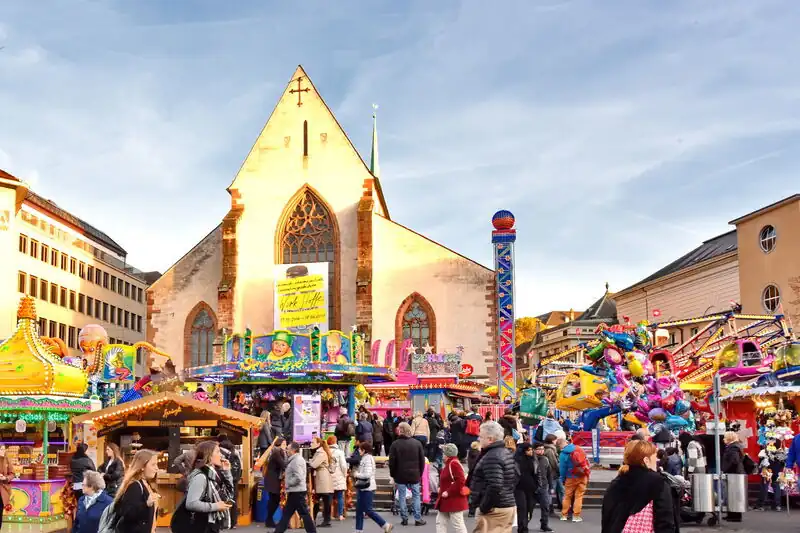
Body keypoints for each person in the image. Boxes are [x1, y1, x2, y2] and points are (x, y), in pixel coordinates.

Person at [601, 440, 676, 533]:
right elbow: (665, 522)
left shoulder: (616, 483)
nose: (657, 460)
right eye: (654, 457)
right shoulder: (658, 482)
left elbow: (607, 520)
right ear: (646, 460)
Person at [468, 421, 518, 533]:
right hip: (504, 504)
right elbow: (514, 477)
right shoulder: (504, 452)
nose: (478, 439)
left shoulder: (492, 456)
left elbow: (495, 485)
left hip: (495, 509)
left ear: (490, 439)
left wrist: (484, 507)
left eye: (481, 437)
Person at [183, 440, 233, 531]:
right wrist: (216, 506)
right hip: (201, 525)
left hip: (211, 522)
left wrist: (227, 472)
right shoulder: (201, 476)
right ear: (209, 456)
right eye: (218, 452)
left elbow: (229, 494)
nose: (221, 455)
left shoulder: (214, 474)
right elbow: (191, 503)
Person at [388, 422, 426, 526]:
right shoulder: (417, 443)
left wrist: (393, 474)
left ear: (400, 430)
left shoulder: (395, 444)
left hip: (400, 474)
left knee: (401, 496)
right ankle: (417, 518)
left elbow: (392, 462)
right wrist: (420, 473)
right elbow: (422, 461)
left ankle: (404, 518)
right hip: (414, 474)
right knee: (416, 496)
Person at [274, 442, 317, 533]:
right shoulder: (294, 460)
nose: (286, 450)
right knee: (287, 513)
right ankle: (278, 531)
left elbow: (299, 477)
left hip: (297, 491)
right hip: (296, 491)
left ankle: (312, 531)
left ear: (293, 450)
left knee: (303, 513)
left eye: (288, 449)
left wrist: (288, 483)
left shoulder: (296, 461)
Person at [115, 449, 160, 533]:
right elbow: (128, 513)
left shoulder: (149, 485)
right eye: (153, 465)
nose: (157, 468)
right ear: (142, 466)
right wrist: (146, 504)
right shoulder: (135, 486)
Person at [353, 442, 393, 533]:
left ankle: (385, 525)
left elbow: (367, 474)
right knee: (359, 510)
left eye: (360, 449)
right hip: (363, 487)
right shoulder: (365, 458)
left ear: (364, 450)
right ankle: (358, 529)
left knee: (368, 510)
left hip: (368, 488)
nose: (359, 450)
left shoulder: (367, 459)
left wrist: (357, 474)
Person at [255, 437, 286, 529]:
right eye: (284, 444)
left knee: (274, 500)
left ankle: (269, 520)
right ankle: (269, 520)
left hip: (272, 479)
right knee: (274, 500)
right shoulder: (277, 452)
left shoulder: (276, 452)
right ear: (279, 444)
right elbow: (283, 464)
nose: (286, 446)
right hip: (273, 480)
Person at [436, 443, 468, 533]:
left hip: (453, 500)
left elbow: (461, 480)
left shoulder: (453, 464)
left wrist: (448, 492)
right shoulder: (452, 463)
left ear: (447, 454)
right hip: (448, 500)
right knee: (440, 522)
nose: (442, 454)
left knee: (458, 525)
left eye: (443, 453)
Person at [557, 437, 590, 523]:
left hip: (570, 477)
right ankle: (576, 516)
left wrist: (562, 478)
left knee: (567, 496)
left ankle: (564, 515)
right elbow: (586, 461)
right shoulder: (578, 448)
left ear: (560, 446)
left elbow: (562, 468)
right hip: (582, 475)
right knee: (579, 496)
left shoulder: (563, 454)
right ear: (567, 442)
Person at [309, 436, 334, 527]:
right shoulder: (319, 452)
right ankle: (319, 519)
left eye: (312, 442)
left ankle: (322, 520)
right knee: (321, 500)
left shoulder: (321, 453)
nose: (311, 444)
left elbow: (314, 464)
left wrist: (309, 461)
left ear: (318, 444)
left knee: (320, 500)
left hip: (323, 480)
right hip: (322, 479)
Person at [219, 436, 243, 528]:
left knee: (223, 500)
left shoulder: (223, 454)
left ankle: (224, 523)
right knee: (233, 501)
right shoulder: (236, 453)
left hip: (225, 481)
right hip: (234, 481)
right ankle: (234, 522)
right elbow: (240, 467)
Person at [721, 431, 745, 523]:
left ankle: (734, 515)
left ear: (729, 438)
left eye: (725, 437)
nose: (723, 439)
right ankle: (732, 515)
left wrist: (725, 469)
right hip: (736, 473)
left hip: (734, 474)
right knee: (733, 494)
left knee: (733, 494)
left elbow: (734, 461)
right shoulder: (736, 446)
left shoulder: (733, 448)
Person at [327, 436, 349, 520]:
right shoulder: (340, 452)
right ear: (335, 442)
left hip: (329, 477)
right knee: (340, 497)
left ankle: (329, 515)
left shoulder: (326, 451)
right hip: (339, 476)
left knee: (329, 497)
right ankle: (340, 515)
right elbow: (343, 465)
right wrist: (345, 474)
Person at [542, 435, 563, 514]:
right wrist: (559, 470)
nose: (556, 441)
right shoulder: (550, 450)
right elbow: (554, 463)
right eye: (555, 440)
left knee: (552, 490)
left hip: (550, 473)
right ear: (551, 440)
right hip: (553, 473)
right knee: (551, 490)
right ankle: (549, 507)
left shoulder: (547, 448)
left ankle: (550, 507)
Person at [0, 445, 14, 529]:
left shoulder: (7, 460)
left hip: (3, 489)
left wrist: (6, 478)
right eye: (1, 449)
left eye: (4, 449)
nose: (2, 451)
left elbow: (12, 474)